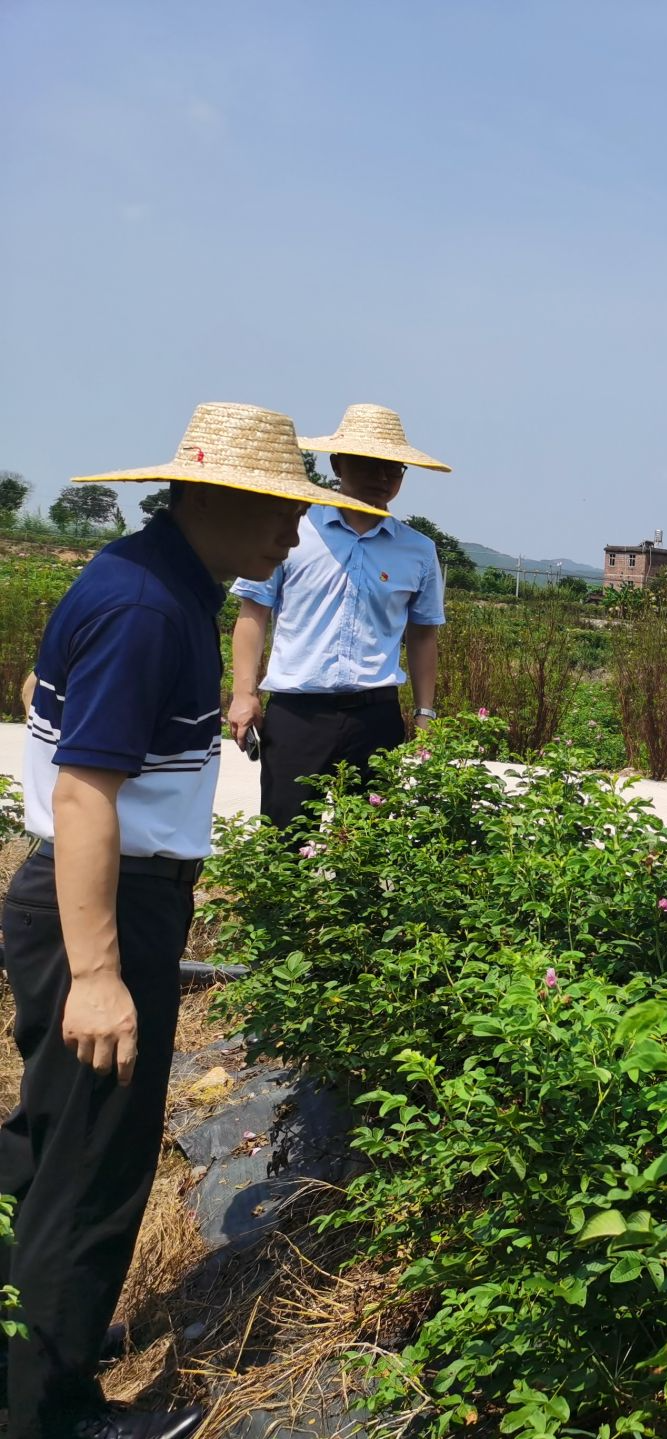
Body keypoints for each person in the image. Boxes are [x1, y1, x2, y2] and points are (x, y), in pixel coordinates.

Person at [2, 404, 384, 1439]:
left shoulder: (146, 577)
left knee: (51, 1145)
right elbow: (85, 792)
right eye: (281, 513)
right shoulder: (148, 606)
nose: (292, 536)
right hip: (105, 901)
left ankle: (26, 1358)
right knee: (91, 1171)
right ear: (223, 498)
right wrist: (97, 970)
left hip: (97, 895)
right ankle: (47, 1407)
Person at [226, 404, 450, 828]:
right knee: (286, 840)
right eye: (369, 464)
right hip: (297, 714)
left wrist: (425, 711)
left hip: (375, 716)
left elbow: (423, 635)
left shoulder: (417, 550)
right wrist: (244, 693)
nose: (382, 478)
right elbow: (253, 611)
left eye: (393, 469)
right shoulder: (293, 530)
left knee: (370, 843)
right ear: (337, 464)